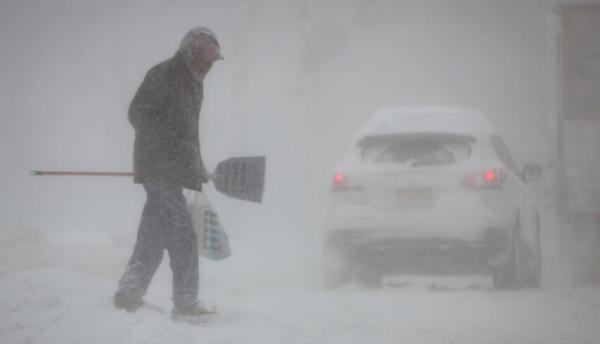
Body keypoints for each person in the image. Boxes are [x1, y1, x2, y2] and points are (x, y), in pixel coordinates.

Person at [113, 27, 223, 322]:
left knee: (153, 234)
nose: (209, 66)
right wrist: (170, 145)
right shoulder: (163, 75)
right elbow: (137, 114)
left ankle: (128, 294)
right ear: (192, 53)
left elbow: (188, 133)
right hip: (158, 168)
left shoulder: (193, 84)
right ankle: (186, 303)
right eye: (206, 59)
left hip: (176, 170)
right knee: (183, 233)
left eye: (213, 61)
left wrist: (196, 164)